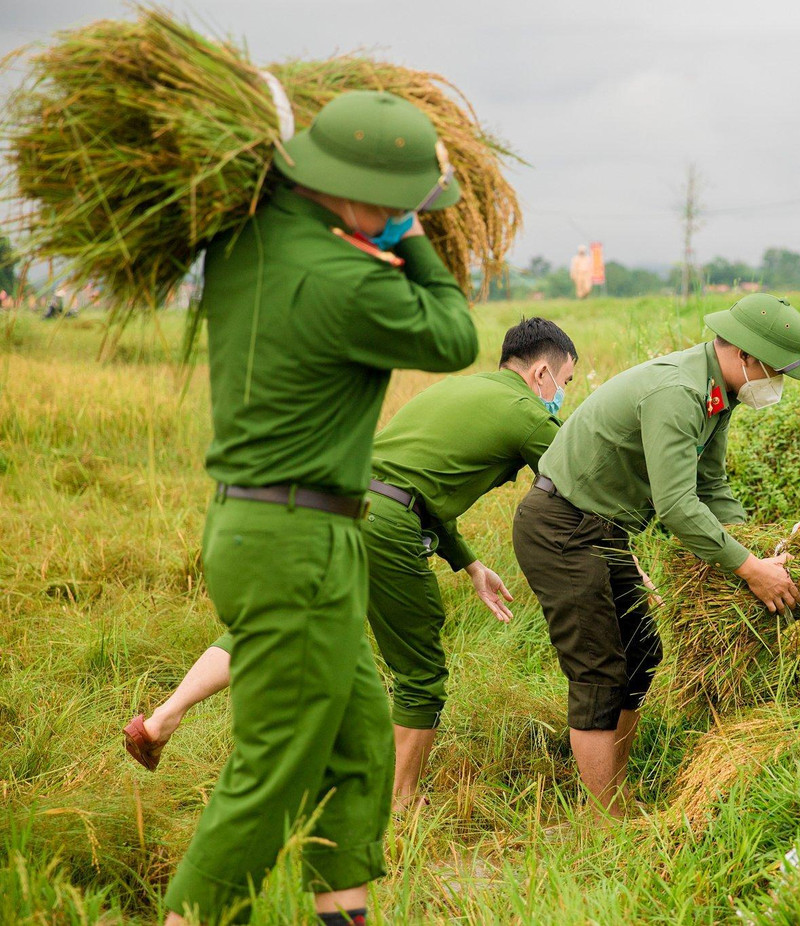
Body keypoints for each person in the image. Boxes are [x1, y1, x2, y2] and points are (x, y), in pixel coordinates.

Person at [152, 90, 478, 926]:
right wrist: (414, 242)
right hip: (295, 538)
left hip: (275, 527)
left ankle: (345, 909)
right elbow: (453, 336)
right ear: (360, 194)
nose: (407, 218)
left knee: (360, 736)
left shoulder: (243, 242)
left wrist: (389, 224)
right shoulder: (345, 279)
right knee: (275, 766)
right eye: (402, 207)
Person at [126, 318, 579, 809]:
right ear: (540, 374)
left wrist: (469, 565)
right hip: (385, 524)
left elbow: (405, 480)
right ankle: (402, 801)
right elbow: (582, 483)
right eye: (565, 384)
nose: (561, 397)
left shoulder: (454, 391)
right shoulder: (527, 414)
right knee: (421, 672)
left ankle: (160, 719)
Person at [512, 292, 800, 819]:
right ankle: (606, 819)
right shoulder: (679, 391)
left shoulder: (717, 395)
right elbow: (675, 505)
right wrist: (747, 568)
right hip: (562, 527)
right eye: (776, 370)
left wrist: (754, 547)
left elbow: (710, 485)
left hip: (603, 530)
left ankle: (615, 789)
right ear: (744, 354)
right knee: (599, 669)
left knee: (643, 652)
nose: (778, 384)